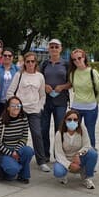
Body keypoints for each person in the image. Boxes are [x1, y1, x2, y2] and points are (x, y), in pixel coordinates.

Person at [7, 51, 49, 172]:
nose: (30, 63)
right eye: (28, 61)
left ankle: (41, 161)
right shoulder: (19, 75)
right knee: (18, 135)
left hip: (34, 111)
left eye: (32, 61)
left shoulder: (40, 76)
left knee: (37, 134)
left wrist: (40, 107)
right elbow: (10, 92)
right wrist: (15, 106)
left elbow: (42, 95)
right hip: (20, 110)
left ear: (36, 62)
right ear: (24, 63)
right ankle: (16, 157)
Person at [40, 38, 70, 167]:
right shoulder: (44, 64)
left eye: (56, 47)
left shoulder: (66, 64)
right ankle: (45, 154)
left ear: (61, 48)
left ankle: (58, 154)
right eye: (51, 47)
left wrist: (62, 87)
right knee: (43, 128)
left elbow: (72, 82)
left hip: (61, 101)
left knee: (59, 129)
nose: (54, 49)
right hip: (45, 101)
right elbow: (38, 79)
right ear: (48, 49)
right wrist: (44, 85)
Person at [0, 96, 35, 184]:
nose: (16, 107)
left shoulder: (23, 119)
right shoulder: (0, 122)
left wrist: (16, 151)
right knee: (12, 173)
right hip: (4, 151)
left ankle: (23, 175)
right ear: (8, 108)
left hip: (18, 149)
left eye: (18, 105)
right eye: (13, 105)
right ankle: (10, 169)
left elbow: (24, 137)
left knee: (29, 151)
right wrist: (11, 153)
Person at [68, 48, 99, 147]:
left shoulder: (92, 72)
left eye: (79, 58)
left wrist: (96, 101)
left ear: (84, 58)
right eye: (74, 60)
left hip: (90, 108)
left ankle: (91, 153)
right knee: (74, 131)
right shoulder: (73, 73)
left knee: (89, 132)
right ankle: (75, 152)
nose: (77, 61)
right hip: (76, 107)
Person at [53, 109, 98, 189]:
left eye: (75, 119)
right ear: (65, 120)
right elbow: (58, 154)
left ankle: (87, 177)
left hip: (79, 157)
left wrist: (78, 154)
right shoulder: (59, 134)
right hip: (66, 159)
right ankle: (63, 175)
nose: (72, 122)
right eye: (69, 119)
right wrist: (69, 165)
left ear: (78, 121)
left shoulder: (82, 129)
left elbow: (87, 145)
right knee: (58, 171)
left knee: (93, 153)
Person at [0, 47, 19, 118]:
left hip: (12, 102)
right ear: (2, 56)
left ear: (12, 57)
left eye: (9, 56)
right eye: (5, 55)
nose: (7, 57)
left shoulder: (17, 69)